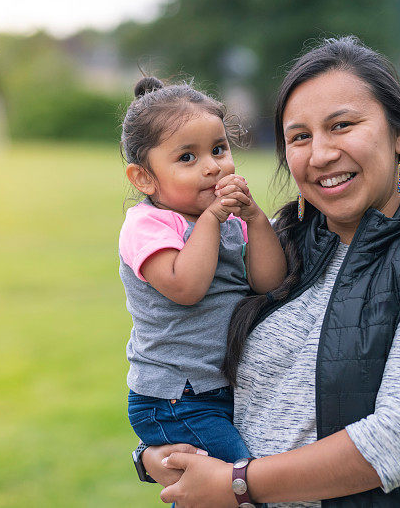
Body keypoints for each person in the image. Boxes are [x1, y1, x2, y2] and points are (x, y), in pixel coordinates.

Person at [137, 36, 400, 507]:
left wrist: (236, 483)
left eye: (342, 125)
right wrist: (151, 454)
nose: (320, 154)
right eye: (299, 136)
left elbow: (397, 441)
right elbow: (181, 357)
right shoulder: (272, 242)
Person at [119, 77, 288, 465]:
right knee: (237, 478)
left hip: (218, 389)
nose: (213, 167)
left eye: (218, 149)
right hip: (175, 396)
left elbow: (269, 283)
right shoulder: (148, 225)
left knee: (210, 493)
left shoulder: (229, 220)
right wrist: (213, 217)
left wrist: (255, 218)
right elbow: (186, 286)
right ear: (144, 177)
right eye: (187, 158)